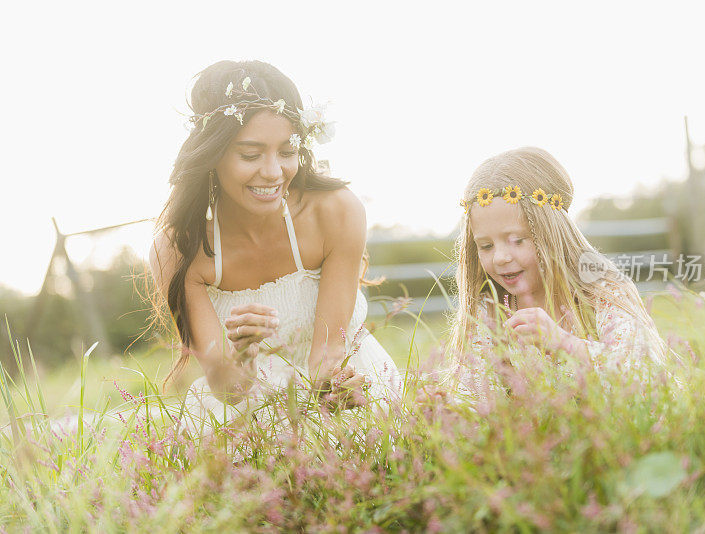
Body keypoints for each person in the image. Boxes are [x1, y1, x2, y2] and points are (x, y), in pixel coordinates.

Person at [149, 60, 401, 430]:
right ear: (212, 155)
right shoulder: (177, 250)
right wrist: (244, 352)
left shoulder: (335, 212)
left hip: (342, 395)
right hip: (243, 412)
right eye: (250, 155)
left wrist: (334, 386)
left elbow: (327, 357)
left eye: (287, 151)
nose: (273, 172)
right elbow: (228, 389)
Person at [449, 147, 668, 379]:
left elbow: (643, 373)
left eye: (517, 240)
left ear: (551, 233)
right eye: (486, 246)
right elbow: (473, 392)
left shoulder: (601, 292)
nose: (500, 257)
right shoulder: (490, 307)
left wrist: (564, 343)